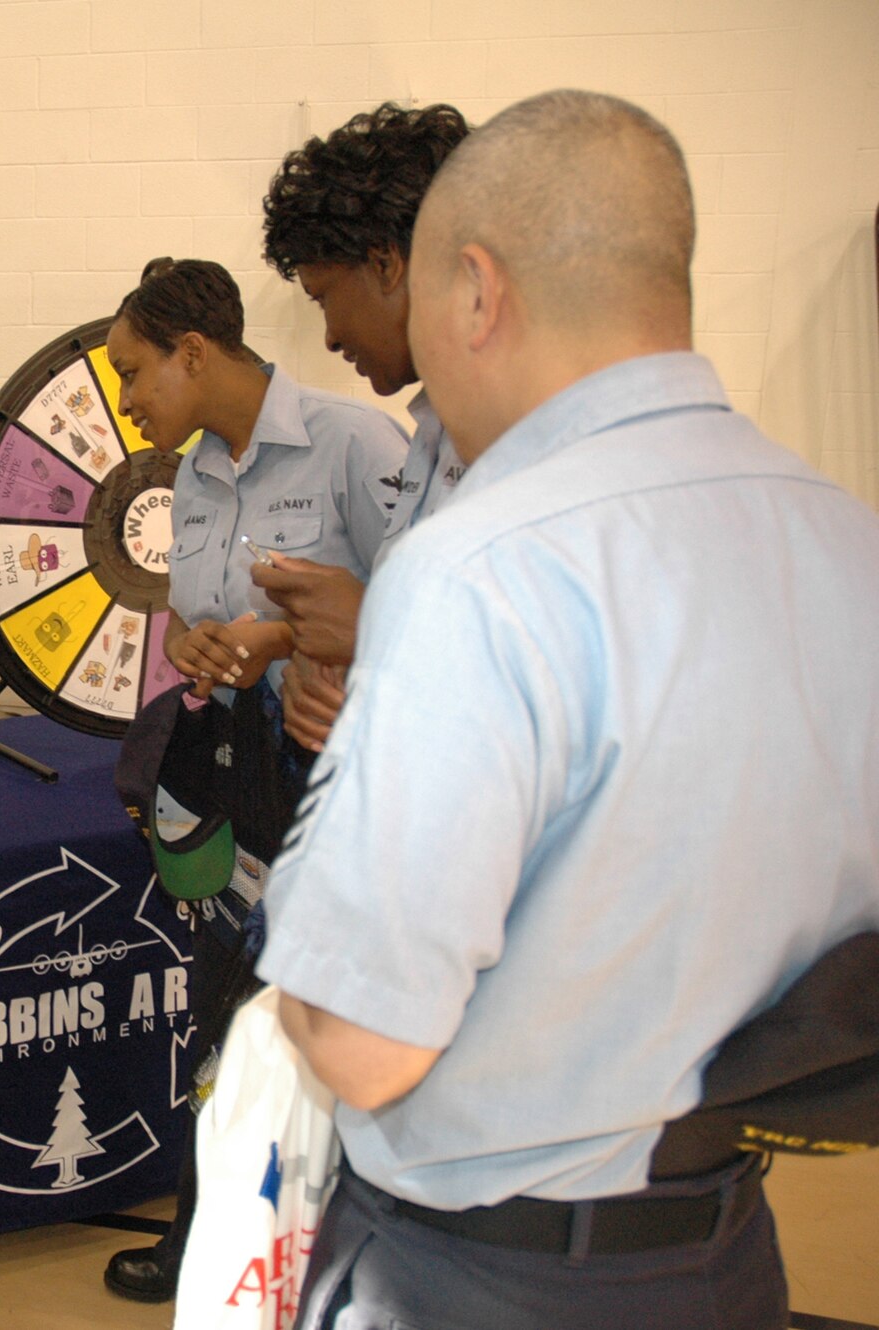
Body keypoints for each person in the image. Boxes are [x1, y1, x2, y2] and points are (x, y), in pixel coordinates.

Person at [257, 90, 879, 1330]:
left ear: (475, 292)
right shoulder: (841, 540)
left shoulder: (479, 568)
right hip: (720, 1252)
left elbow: (362, 1039)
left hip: (477, 1272)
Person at [99, 257, 406, 1303]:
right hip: (228, 792)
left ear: (193, 351)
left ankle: (326, 1259)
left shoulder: (354, 443)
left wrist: (285, 639)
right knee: (220, 1019)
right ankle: (210, 1242)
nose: (127, 400)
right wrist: (195, 645)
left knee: (310, 1032)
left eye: (135, 372)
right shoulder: (189, 474)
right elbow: (194, 616)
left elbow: (425, 608)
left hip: (330, 797)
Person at [251, 101, 471, 753]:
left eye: (324, 298)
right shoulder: (437, 435)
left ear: (385, 264)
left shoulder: (533, 438)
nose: (329, 335)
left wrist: (373, 625)